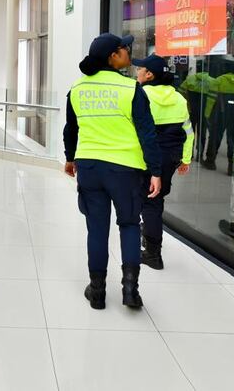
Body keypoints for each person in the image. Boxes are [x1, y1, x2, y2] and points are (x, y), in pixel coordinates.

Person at [63, 33, 162, 310]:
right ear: (112, 57)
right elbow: (147, 133)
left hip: (90, 168)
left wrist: (70, 159)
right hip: (125, 169)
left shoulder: (78, 89)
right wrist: (155, 170)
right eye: (124, 48)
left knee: (96, 230)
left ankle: (97, 293)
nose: (128, 51)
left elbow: (71, 130)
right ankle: (130, 291)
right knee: (129, 225)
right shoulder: (131, 89)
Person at [132, 55, 194, 270]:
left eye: (140, 68)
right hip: (171, 157)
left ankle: (152, 253)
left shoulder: (141, 94)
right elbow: (188, 132)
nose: (137, 72)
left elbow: (134, 129)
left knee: (149, 201)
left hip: (147, 156)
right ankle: (148, 231)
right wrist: (185, 158)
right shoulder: (179, 98)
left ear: (149, 74)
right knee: (156, 198)